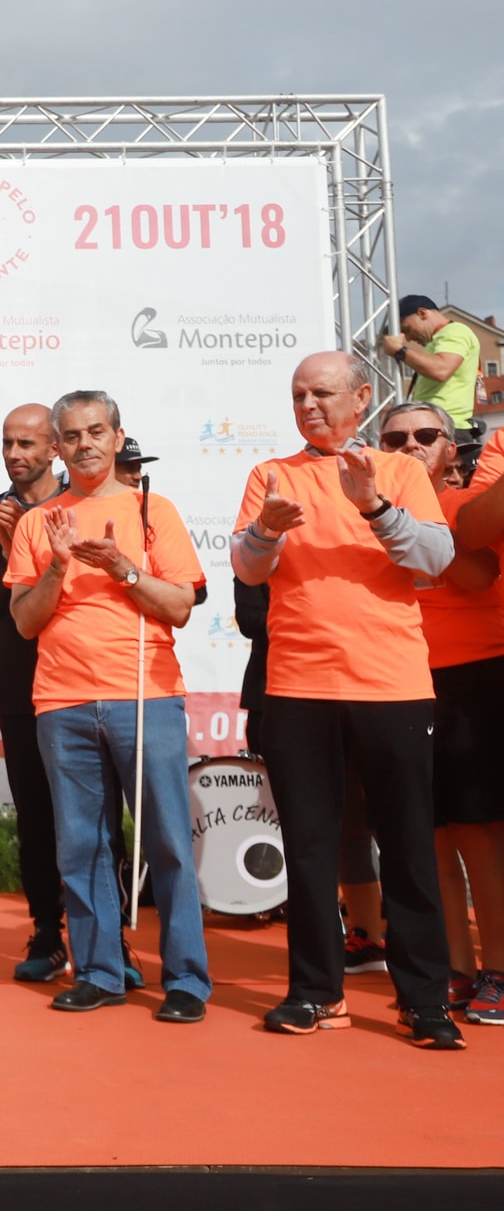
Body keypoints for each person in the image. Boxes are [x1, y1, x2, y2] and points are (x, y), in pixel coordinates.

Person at [231, 351, 462, 1048]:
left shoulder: (397, 471)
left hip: (392, 683)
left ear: (361, 398)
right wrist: (267, 530)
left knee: (408, 845)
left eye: (323, 394)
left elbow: (435, 560)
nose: (309, 405)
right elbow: (247, 568)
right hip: (297, 685)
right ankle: (314, 993)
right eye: (299, 394)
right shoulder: (272, 475)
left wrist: (375, 508)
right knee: (310, 849)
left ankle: (425, 1000)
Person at [7, 389, 211, 1021]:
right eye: (71, 435)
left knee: (168, 842)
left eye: (96, 432)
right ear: (57, 447)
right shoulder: (39, 522)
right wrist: (57, 568)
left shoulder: (153, 509)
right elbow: (24, 622)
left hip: (145, 696)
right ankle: (98, 970)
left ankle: (186, 979)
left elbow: (180, 606)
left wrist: (123, 568)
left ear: (118, 438)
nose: (85, 444)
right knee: (80, 846)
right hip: (62, 701)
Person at [381, 400, 504, 1024]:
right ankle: (455, 965)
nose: (411, 446)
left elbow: (480, 575)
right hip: (399, 683)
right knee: (426, 836)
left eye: (425, 435)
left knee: (478, 832)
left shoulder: (463, 507)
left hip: (474, 678)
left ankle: (499, 969)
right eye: (395, 438)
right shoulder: (371, 516)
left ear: (450, 450)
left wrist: (420, 530)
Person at [0, 404, 80, 981]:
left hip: (82, 677)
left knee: (92, 815)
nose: (14, 454)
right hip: (20, 681)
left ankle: (105, 940)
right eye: (8, 443)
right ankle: (47, 931)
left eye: (27, 444)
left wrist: (29, 545)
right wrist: (11, 548)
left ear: (55, 448)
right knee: (35, 813)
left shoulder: (81, 506)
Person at [382, 295, 482, 443]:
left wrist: (400, 351)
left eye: (407, 329)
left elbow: (441, 370)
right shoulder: (439, 340)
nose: (408, 338)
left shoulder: (454, 331)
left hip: (446, 428)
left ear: (422, 313)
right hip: (436, 427)